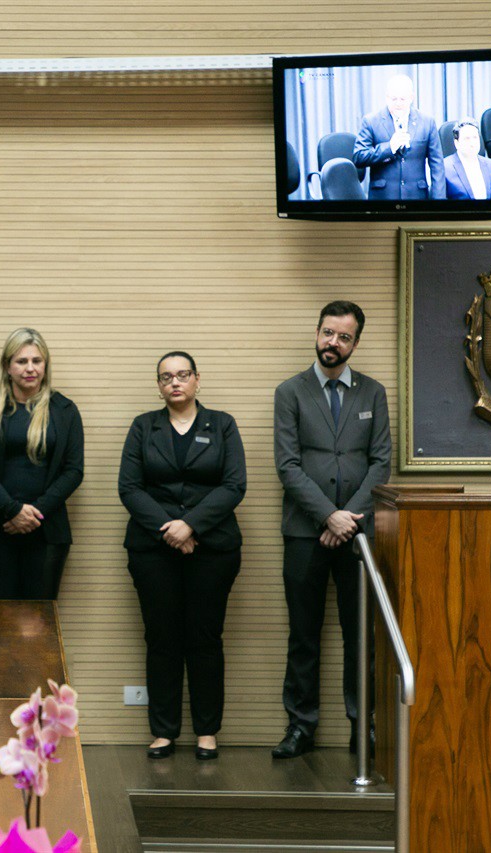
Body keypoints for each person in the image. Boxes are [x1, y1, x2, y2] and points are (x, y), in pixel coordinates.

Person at [272, 301, 391, 759]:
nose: (332, 343)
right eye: (327, 332)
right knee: (303, 634)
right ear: (317, 332)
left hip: (359, 535)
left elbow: (381, 462)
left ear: (355, 343)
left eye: (343, 337)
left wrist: (347, 520)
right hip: (304, 533)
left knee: (359, 634)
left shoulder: (373, 393)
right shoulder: (290, 392)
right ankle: (300, 727)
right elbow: (287, 464)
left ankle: (363, 726)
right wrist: (328, 516)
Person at [118, 352, 246, 761]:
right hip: (153, 549)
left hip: (213, 549)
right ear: (159, 385)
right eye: (166, 377)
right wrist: (171, 530)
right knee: (161, 638)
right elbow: (130, 488)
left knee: (205, 638)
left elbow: (234, 484)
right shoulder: (144, 427)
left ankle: (207, 731)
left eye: (182, 375)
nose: (175, 382)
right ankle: (164, 731)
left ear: (196, 380)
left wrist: (190, 525)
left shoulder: (222, 424)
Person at [0, 327, 84, 600]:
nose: (30, 368)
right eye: (21, 361)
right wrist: (12, 510)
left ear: (45, 365)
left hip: (47, 531)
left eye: (37, 361)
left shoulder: (64, 410)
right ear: (7, 366)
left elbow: (74, 470)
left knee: (38, 625)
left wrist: (34, 514)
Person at [352, 74, 445, 200]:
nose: (398, 103)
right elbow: (359, 157)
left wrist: (438, 201)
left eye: (403, 99)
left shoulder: (427, 122)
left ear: (411, 97)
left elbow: (437, 164)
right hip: (383, 198)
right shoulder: (371, 121)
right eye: (393, 99)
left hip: (417, 198)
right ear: (386, 97)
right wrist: (389, 148)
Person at [443, 119, 491, 201]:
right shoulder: (444, 168)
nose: (472, 143)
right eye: (467, 138)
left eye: (475, 137)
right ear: (457, 143)